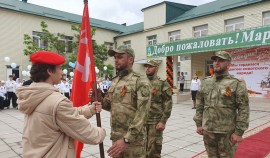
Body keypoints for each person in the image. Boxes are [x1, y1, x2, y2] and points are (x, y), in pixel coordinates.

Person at [15, 51, 106, 158]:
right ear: (49, 71)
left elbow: (62, 115)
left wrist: (90, 109)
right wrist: (101, 132)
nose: (62, 72)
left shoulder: (33, 94)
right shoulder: (57, 101)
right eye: (59, 68)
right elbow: (89, 134)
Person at [89, 45, 151, 158]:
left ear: (130, 59)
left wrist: (126, 139)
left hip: (133, 142)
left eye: (120, 57)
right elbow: (110, 105)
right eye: (115, 57)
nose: (116, 60)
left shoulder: (140, 80)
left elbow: (142, 114)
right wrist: (99, 98)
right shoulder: (115, 81)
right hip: (116, 139)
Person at [193, 51, 249, 158]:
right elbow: (200, 104)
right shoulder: (206, 82)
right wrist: (199, 123)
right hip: (208, 131)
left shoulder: (236, 83)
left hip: (226, 132)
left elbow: (243, 108)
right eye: (215, 60)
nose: (216, 63)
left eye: (221, 60)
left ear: (228, 64)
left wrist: (239, 132)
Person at [144, 59, 172, 158]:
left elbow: (168, 102)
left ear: (156, 68)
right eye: (146, 66)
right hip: (141, 122)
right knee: (140, 150)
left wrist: (163, 121)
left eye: (150, 66)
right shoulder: (140, 82)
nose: (147, 68)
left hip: (155, 122)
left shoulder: (161, 83)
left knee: (153, 151)